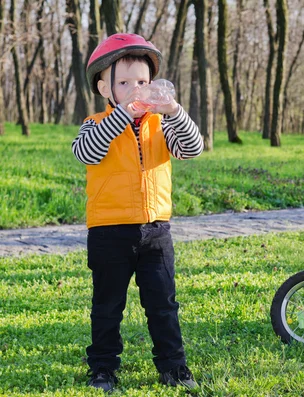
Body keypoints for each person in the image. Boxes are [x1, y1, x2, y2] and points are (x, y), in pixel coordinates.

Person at [72, 33, 203, 393]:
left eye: (143, 83)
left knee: (163, 305)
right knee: (107, 307)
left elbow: (192, 149)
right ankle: (103, 369)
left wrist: (174, 111)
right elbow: (87, 152)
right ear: (104, 88)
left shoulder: (162, 125)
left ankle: (173, 367)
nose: (136, 90)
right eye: (125, 83)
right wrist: (121, 115)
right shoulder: (95, 123)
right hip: (108, 232)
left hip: (156, 230)